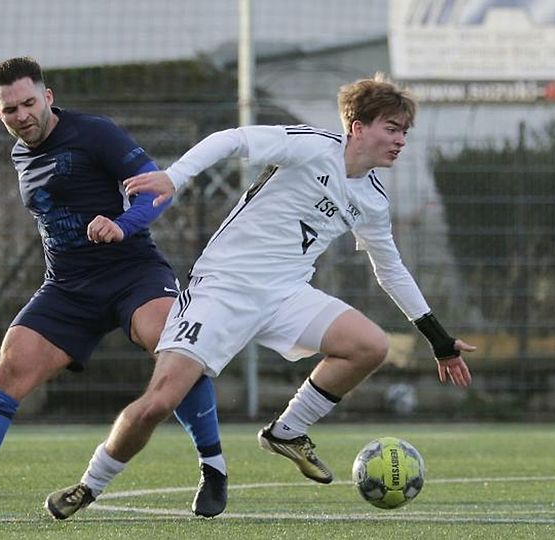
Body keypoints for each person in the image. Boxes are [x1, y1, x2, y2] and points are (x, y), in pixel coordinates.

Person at [43, 72, 476, 516]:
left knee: (370, 346)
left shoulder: (372, 200)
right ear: (357, 127)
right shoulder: (309, 147)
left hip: (286, 295)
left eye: (404, 131)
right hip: (223, 288)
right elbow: (232, 139)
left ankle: (287, 431)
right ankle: (89, 486)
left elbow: (391, 270)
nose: (400, 139)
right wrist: (174, 177)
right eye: (392, 127)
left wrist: (439, 340)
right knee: (159, 402)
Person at [0, 57, 228, 520]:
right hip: (68, 287)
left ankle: (213, 469)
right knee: (11, 365)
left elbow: (156, 190)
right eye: (10, 109)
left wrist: (121, 224)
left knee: (172, 343)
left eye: (29, 103)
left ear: (47, 97)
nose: (22, 115)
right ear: (0, 113)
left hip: (132, 271)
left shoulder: (94, 133)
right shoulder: (19, 153)